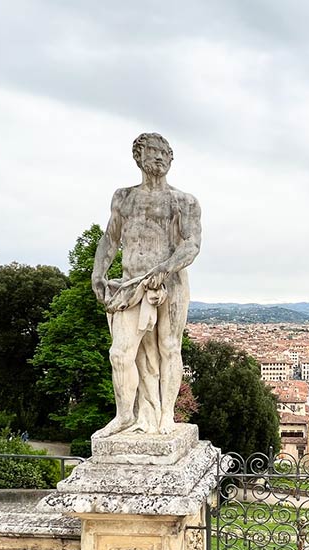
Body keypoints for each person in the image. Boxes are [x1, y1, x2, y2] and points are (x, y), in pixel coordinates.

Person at [91, 133, 202, 438]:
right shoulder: (123, 197)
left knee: (168, 347)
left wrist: (166, 268)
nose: (159, 157)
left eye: (165, 152)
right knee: (121, 353)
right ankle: (127, 415)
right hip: (131, 284)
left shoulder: (183, 201)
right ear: (137, 157)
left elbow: (191, 244)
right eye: (152, 151)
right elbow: (110, 239)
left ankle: (165, 415)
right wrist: (97, 274)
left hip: (171, 282)